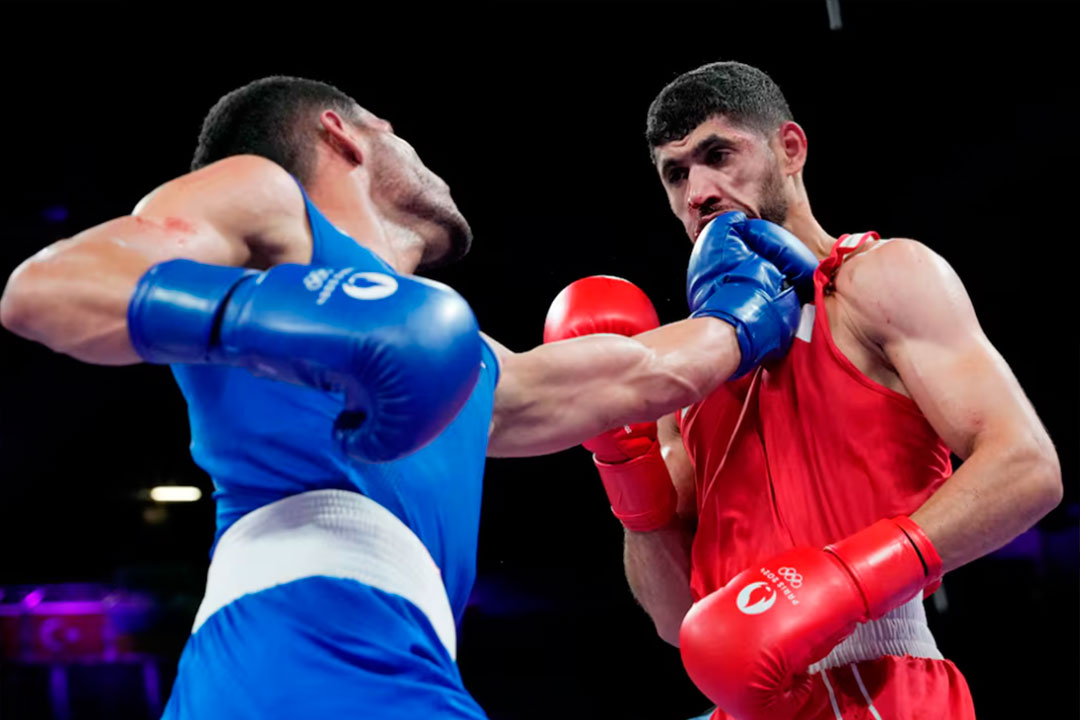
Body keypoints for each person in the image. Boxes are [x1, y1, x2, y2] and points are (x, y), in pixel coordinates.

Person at [0, 75, 814, 718]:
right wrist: (270, 312)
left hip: (405, 662)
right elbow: (48, 288)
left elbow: (634, 379)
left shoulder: (457, 361)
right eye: (399, 134)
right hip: (293, 652)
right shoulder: (265, 199)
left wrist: (745, 313)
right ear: (342, 133)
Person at [555, 61, 1062, 720]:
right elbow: (677, 616)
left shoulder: (878, 280)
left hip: (881, 677)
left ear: (789, 149)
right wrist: (623, 462)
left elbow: (1027, 468)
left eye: (718, 155)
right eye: (676, 174)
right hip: (741, 692)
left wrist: (850, 579)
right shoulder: (685, 367)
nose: (698, 192)